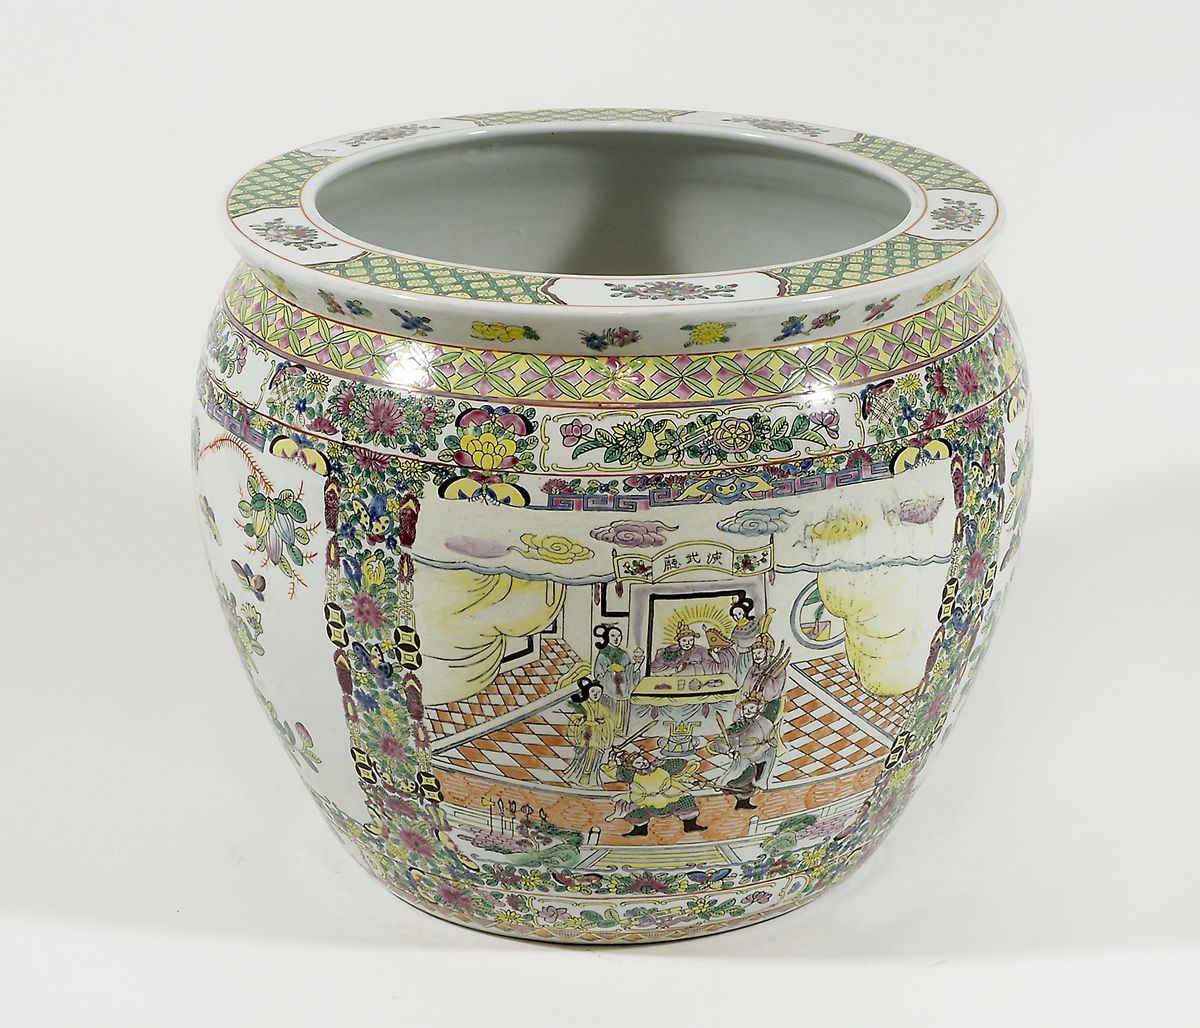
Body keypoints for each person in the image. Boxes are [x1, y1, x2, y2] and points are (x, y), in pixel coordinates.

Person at [602, 747, 707, 836]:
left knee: (686, 800)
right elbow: (612, 771)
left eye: (643, 760)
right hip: (646, 800)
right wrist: (612, 760)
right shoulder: (631, 774)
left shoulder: (662, 766)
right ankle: (640, 830)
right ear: (632, 766)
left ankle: (690, 825)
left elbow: (681, 766)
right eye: (638, 763)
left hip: (669, 795)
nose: (643, 763)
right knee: (633, 809)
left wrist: (693, 780)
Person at [564, 677, 619, 786]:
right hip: (586, 738)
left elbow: (609, 721)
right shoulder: (583, 706)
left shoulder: (602, 708)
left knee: (594, 759)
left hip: (597, 739)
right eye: (593, 691)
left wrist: (604, 723)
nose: (595, 694)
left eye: (598, 692)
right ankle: (577, 775)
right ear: (588, 692)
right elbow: (575, 719)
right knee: (582, 758)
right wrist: (581, 721)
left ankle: (590, 777)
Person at [593, 624, 637, 731]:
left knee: (621, 718)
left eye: (619, 636)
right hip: (608, 692)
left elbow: (629, 672)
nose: (616, 639)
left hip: (623, 691)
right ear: (607, 637)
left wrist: (636, 667)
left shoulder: (624, 654)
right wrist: (611, 675)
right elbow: (598, 675)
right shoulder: (603, 654)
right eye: (613, 636)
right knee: (609, 717)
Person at [650, 624, 717, 676]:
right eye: (684, 640)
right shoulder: (671, 651)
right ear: (679, 641)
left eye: (691, 640)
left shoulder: (701, 650)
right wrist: (675, 670)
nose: (688, 643)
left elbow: (710, 667)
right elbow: (655, 669)